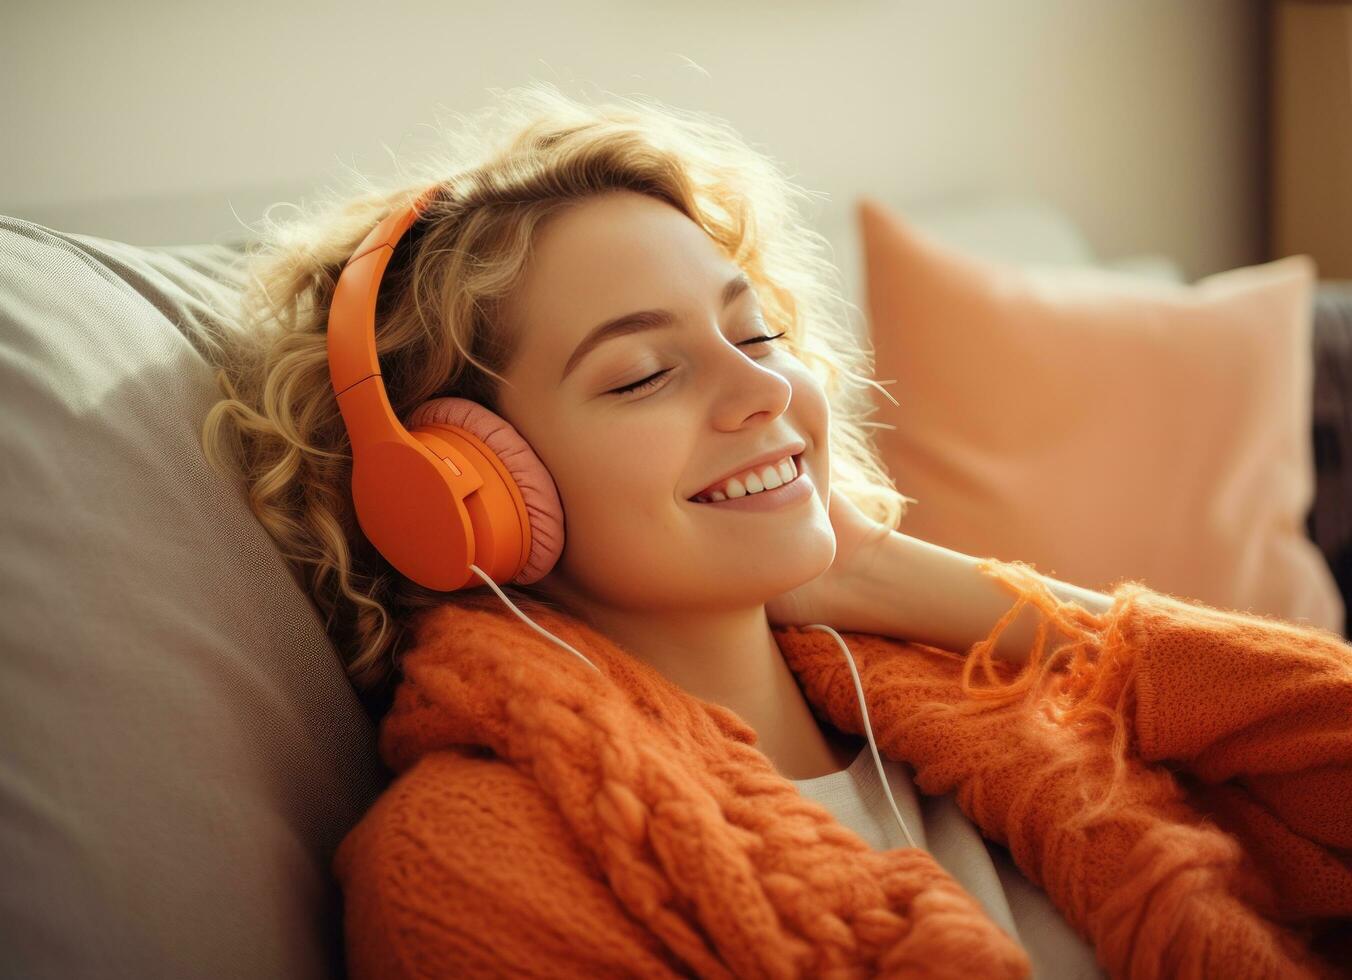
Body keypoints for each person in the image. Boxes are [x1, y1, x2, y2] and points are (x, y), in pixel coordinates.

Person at [201, 82, 1352, 978]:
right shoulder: (465, 862)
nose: (759, 394)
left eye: (754, 337)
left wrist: (925, 582)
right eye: (643, 373)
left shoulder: (983, 690)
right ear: (467, 492)